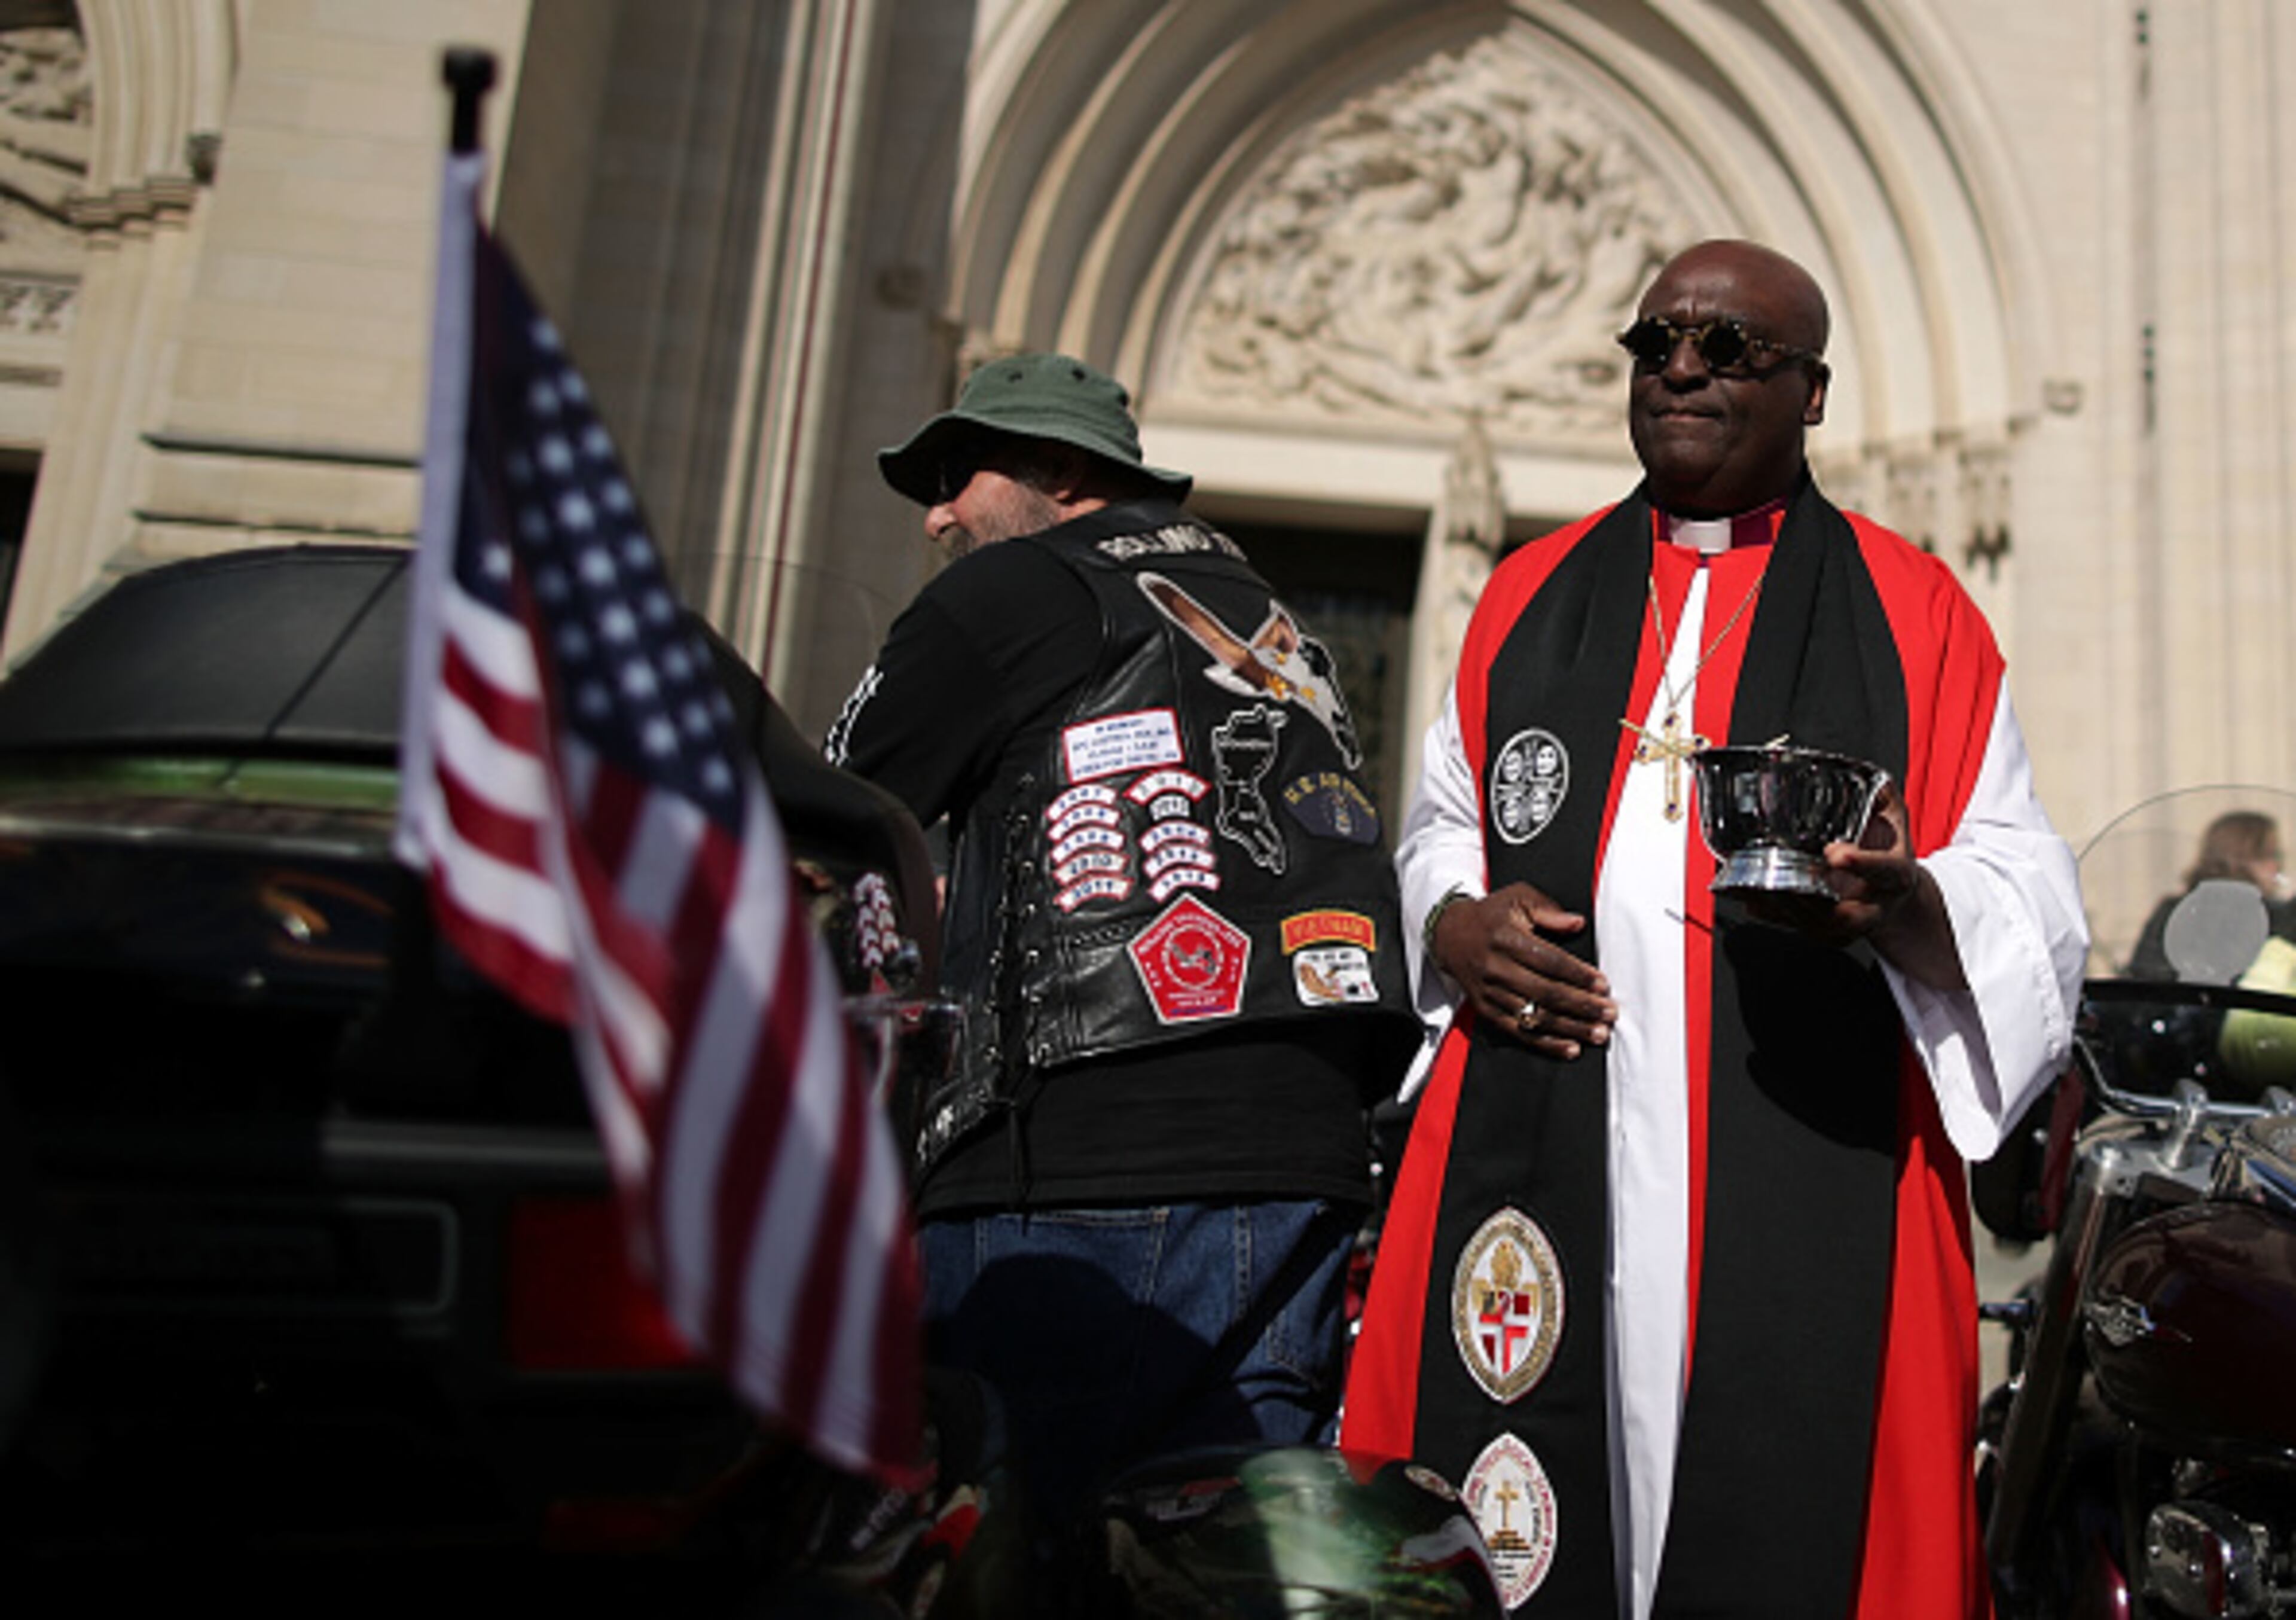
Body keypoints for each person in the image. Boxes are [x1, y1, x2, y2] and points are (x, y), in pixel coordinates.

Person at [1341, 241, 2088, 1618]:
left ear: (1812, 393)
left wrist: (1912, 902)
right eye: (1657, 341)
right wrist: (1454, 922)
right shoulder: (1526, 593)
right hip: (1545, 1133)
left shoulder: (1917, 610)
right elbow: (1442, 819)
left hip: (1802, 1150)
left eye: (1732, 347)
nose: (1684, 365)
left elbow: (2024, 882)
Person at [823, 352, 1419, 1517]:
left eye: (955, 472)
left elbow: (839, 804)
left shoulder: (1012, 592)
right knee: (1212, 1566)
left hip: (1078, 1173)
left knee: (1021, 1557)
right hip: (1303, 1173)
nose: (937, 513)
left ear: (1057, 468)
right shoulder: (1272, 612)